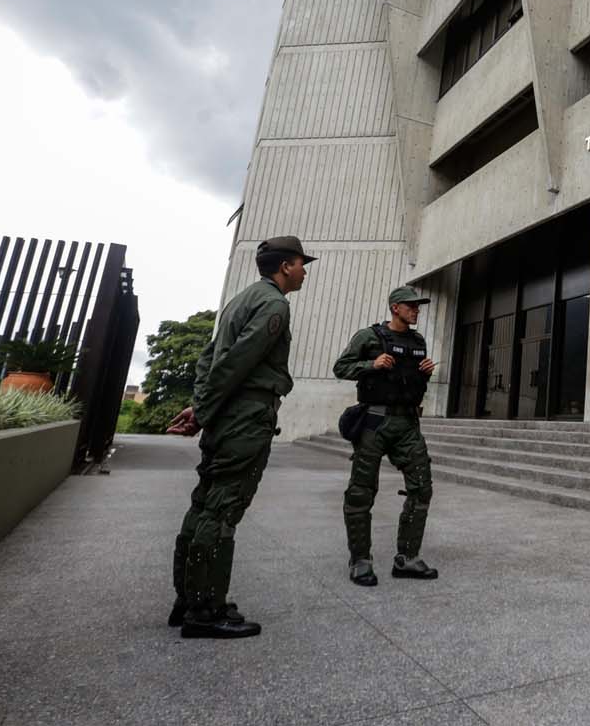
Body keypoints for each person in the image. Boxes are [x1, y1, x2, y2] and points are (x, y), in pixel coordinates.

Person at [164, 236, 315, 639]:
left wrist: (201, 409)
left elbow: (209, 359)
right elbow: (235, 364)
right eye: (302, 263)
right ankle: (206, 610)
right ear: (285, 266)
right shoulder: (274, 305)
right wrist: (207, 412)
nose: (304, 271)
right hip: (245, 418)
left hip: (227, 415)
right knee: (223, 509)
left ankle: (190, 598)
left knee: (204, 504)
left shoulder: (241, 300)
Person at [334, 285, 438, 586]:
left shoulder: (418, 340)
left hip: (407, 424)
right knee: (361, 492)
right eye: (411, 306)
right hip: (374, 423)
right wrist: (371, 364)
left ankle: (407, 558)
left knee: (422, 489)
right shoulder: (369, 336)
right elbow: (340, 367)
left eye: (417, 306)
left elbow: (411, 381)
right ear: (395, 307)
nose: (416, 310)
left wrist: (425, 372)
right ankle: (360, 560)